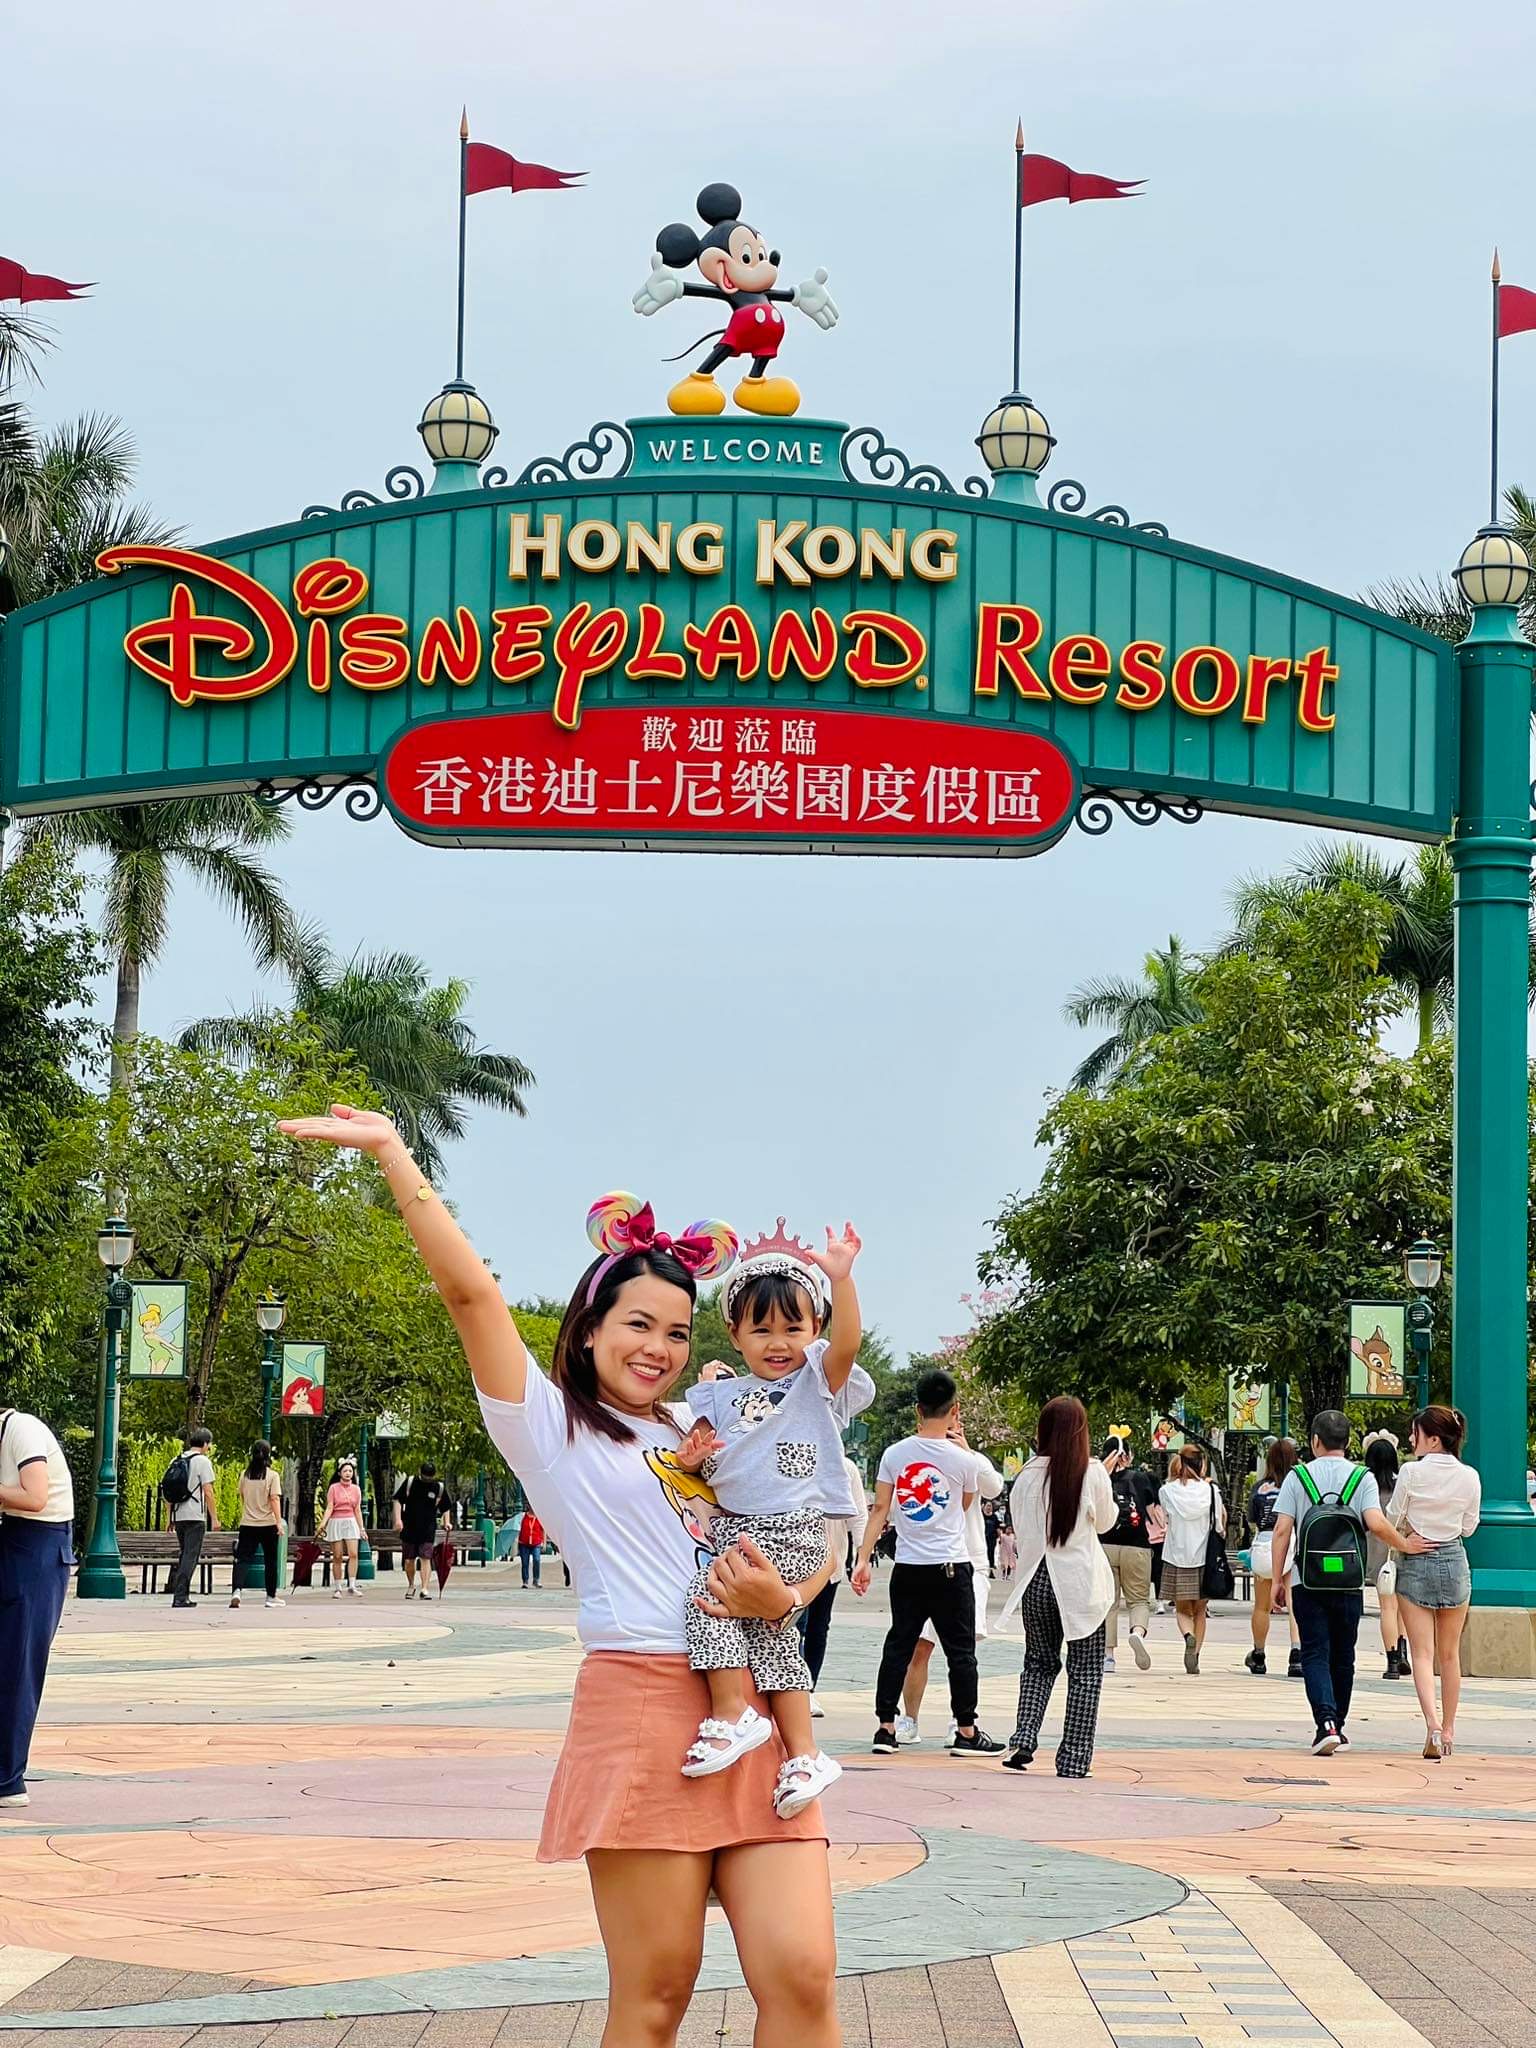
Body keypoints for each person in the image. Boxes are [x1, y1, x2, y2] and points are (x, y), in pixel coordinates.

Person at [278, 1108, 841, 2048]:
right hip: (645, 1708)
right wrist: (394, 1157)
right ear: (588, 1330)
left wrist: (784, 1598)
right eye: (636, 1325)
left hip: (758, 1704)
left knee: (805, 1977)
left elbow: (805, 1536)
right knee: (658, 1994)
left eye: (675, 1329)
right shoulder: (550, 1428)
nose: (657, 1348)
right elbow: (472, 1300)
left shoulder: (702, 1430)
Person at [676, 1222, 870, 1818]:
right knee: (771, 1635)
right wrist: (694, 1461)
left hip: (790, 1526)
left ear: (814, 1330)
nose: (777, 1341)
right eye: (761, 1328)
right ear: (735, 1334)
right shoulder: (719, 1398)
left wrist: (841, 1280)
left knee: (705, 1602)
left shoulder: (817, 1381)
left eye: (794, 1327)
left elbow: (848, 1345)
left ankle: (732, 1714)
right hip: (739, 1526)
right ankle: (804, 1754)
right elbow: (708, 1468)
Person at [852, 1368, 1004, 1757]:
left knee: (898, 1646)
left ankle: (886, 1727)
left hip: (908, 1567)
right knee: (961, 1651)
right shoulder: (963, 1461)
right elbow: (966, 1504)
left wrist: (863, 1559)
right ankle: (966, 1730)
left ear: (918, 1409)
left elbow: (881, 1509)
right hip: (952, 1567)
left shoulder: (894, 1455)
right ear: (954, 1411)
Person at [1270, 1410, 1430, 1756]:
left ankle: (1324, 1723)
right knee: (1343, 1656)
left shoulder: (1298, 1477)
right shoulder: (1363, 1478)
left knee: (1314, 1652)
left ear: (1315, 1441)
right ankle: (1337, 1726)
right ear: (1348, 1442)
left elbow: (1282, 1529)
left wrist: (1276, 1580)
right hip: (1348, 1581)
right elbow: (1375, 1522)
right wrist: (1404, 1544)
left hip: (1306, 1580)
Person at [998, 1396, 1117, 1777]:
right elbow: (1106, 1523)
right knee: (1085, 1673)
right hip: (1081, 1584)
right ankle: (1074, 1759)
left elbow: (1019, 1525)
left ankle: (1024, 1737)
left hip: (1035, 1581)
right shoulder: (1093, 1471)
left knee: (1037, 1664)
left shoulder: (1026, 1476)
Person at [893, 1408, 1003, 1745]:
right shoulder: (911, 1457)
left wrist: (967, 1452)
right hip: (924, 1563)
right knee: (919, 1648)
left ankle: (962, 1721)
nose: (950, 1432)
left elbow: (994, 1487)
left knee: (963, 1650)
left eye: (956, 1428)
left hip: (968, 1562)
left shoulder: (971, 1460)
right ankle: (908, 1719)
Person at [1387, 1406, 1482, 1760]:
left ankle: (1431, 1725)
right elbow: (1469, 1527)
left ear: (1433, 1438)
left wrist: (1407, 1538)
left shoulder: (1411, 1472)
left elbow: (1392, 1517)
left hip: (1417, 1558)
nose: (1413, 1440)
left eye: (1416, 1434)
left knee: (1422, 1654)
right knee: (1450, 1654)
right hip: (1455, 1559)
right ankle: (1451, 1728)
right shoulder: (1470, 1476)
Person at [0, 1405, 75, 1808]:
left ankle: (9, 1780)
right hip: (14, 1538)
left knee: (17, 1662)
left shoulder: (21, 1429)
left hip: (39, 1546)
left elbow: (35, 1496)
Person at [804, 1454, 867, 1717]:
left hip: (830, 1563)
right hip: (792, 1562)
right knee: (794, 1627)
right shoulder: (790, 1456)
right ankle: (792, 1689)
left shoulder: (845, 1467)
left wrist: (861, 1558)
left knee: (818, 1627)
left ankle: (808, 1690)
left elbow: (858, 1517)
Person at [1158, 1446, 1225, 1674]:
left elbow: (1166, 1517)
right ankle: (1195, 1656)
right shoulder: (1210, 1491)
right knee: (1200, 1611)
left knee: (1182, 1609)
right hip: (1204, 1557)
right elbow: (1218, 1525)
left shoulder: (1167, 1491)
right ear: (1202, 1465)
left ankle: (1188, 1636)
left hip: (1176, 1555)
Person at [1099, 1436, 1159, 1674]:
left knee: (1109, 1603)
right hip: (1137, 1546)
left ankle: (1108, 1657)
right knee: (1139, 1600)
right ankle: (1137, 1632)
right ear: (1127, 1455)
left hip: (1104, 1546)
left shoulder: (1098, 1478)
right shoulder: (1140, 1478)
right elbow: (1154, 1513)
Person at [1244, 1437, 1302, 1678]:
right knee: (1294, 1604)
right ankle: (1296, 1654)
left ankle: (1258, 1654)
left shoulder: (1259, 1488)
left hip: (1266, 1544)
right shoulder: (1298, 1485)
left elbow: (1251, 1520)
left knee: (1261, 1606)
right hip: (1291, 1543)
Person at [1362, 1432, 1409, 1679]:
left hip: (1376, 1556)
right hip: (1402, 1553)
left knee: (1387, 1608)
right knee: (1401, 1607)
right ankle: (1403, 1651)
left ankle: (1392, 1660)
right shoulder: (1402, 1485)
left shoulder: (1363, 1487)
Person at [229, 1441, 285, 1609]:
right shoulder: (272, 1476)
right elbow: (274, 1499)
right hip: (268, 1524)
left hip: (247, 1523)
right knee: (270, 1561)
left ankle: (237, 1591)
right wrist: (278, 1522)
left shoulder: (244, 1475)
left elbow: (242, 1496)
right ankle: (270, 1596)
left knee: (243, 1559)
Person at [168, 1426, 218, 1609]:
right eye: (209, 1444)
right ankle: (180, 1596)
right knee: (191, 1556)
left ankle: (181, 1593)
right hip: (195, 1515)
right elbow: (208, 1491)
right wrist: (215, 1517)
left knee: (184, 1554)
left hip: (179, 1514)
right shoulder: (203, 1462)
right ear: (205, 1444)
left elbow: (168, 1491)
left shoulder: (177, 1459)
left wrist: (169, 1517)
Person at [393, 1463, 448, 1600]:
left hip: (427, 1528)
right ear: (420, 1473)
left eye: (429, 1477)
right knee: (409, 1560)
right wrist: (398, 1520)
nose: (427, 1479)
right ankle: (411, 1585)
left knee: (426, 1558)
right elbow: (398, 1500)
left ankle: (425, 1588)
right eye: (424, 1476)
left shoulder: (438, 1488)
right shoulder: (411, 1483)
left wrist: (447, 1522)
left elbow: (445, 1507)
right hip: (409, 1526)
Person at [322, 1457, 365, 1599]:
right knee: (338, 1556)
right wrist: (323, 1523)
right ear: (339, 1473)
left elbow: (357, 1509)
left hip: (351, 1521)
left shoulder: (356, 1489)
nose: (348, 1473)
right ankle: (338, 1587)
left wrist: (362, 1528)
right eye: (345, 1471)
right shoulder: (333, 1488)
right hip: (336, 1521)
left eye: (350, 1471)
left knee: (353, 1554)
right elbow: (329, 1507)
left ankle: (352, 1585)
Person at [518, 1507, 546, 1587]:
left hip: (536, 1542)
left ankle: (536, 1580)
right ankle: (525, 1581)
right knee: (525, 1562)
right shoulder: (523, 1516)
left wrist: (544, 1542)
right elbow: (518, 1528)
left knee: (536, 1560)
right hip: (524, 1542)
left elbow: (543, 1530)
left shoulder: (539, 1517)